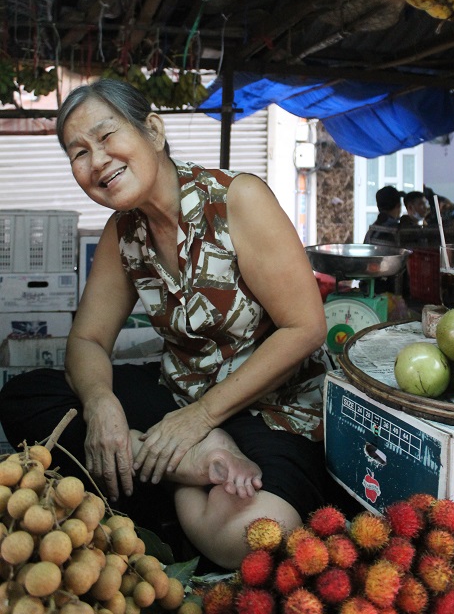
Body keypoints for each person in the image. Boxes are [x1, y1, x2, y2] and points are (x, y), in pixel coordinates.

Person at [0, 78, 329, 570]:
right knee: (25, 397)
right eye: (79, 153)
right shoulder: (124, 231)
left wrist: (201, 419)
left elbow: (305, 328)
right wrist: (102, 403)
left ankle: (161, 474)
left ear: (152, 129)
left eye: (107, 136)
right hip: (179, 399)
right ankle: (189, 466)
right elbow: (88, 339)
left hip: (269, 407)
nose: (97, 161)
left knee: (255, 537)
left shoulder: (236, 200)